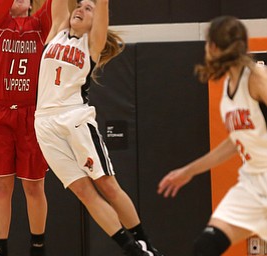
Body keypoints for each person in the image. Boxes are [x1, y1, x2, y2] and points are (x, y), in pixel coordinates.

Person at [34, 0, 164, 255]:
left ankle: (146, 242)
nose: (80, 9)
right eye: (79, 6)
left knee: (107, 185)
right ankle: (133, 250)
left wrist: (98, 5)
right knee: (84, 192)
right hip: (44, 124)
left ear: (97, 23)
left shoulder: (92, 44)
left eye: (88, 8)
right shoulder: (57, 29)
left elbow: (102, 5)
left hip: (74, 118)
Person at [157, 16, 267, 256]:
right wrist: (189, 171)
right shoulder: (230, 85)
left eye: (207, 43)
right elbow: (235, 142)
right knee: (206, 247)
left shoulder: (256, 77)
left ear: (214, 47)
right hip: (253, 182)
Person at [0, 0, 53, 255]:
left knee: (34, 186)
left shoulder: (40, 27)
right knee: (0, 187)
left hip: (31, 115)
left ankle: (38, 246)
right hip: (0, 114)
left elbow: (52, 6)